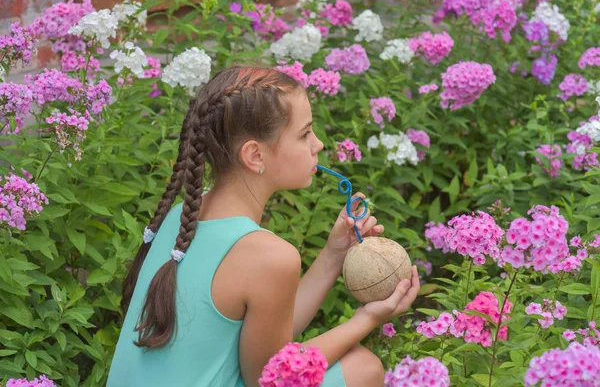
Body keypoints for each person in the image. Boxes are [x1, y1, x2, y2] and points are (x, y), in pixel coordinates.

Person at [107, 66, 420, 387]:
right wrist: (365, 320)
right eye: (304, 134)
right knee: (363, 368)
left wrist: (332, 257)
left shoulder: (180, 215)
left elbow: (268, 341)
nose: (320, 144)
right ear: (255, 155)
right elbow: (271, 377)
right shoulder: (267, 256)